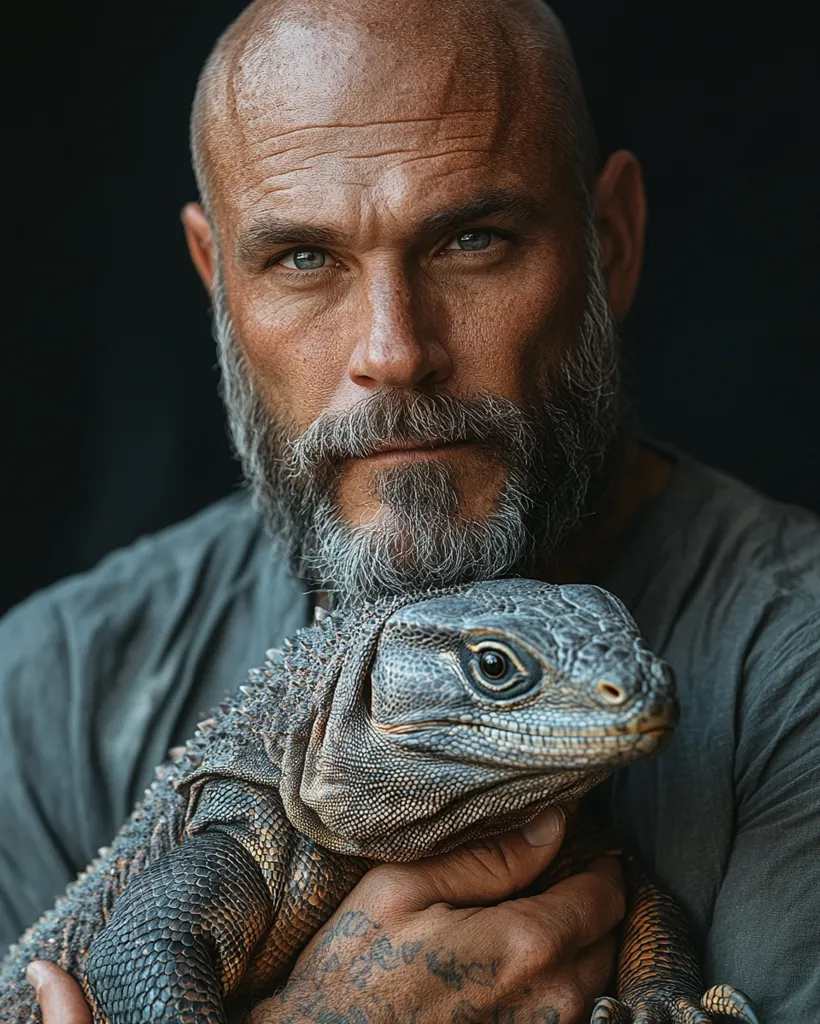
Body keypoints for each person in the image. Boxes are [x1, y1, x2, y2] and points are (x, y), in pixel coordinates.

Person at [3, 0, 818, 1020]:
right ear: (220, 287)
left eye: (472, 238)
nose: (392, 351)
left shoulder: (792, 663)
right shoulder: (44, 693)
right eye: (302, 258)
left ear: (609, 244)